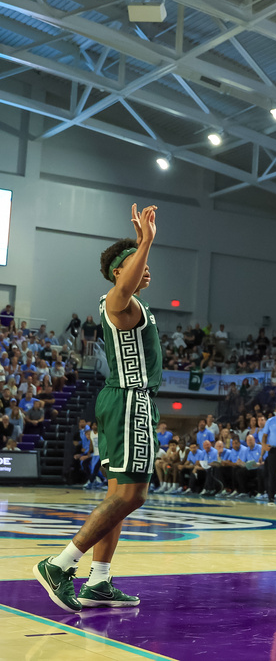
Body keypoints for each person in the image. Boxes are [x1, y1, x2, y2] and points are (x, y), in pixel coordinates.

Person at [33, 204, 160, 612]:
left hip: (121, 399)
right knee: (134, 494)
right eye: (137, 263)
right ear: (119, 273)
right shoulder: (117, 301)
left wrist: (143, 247)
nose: (146, 268)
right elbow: (121, 286)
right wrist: (145, 241)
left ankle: (99, 581)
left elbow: (127, 281)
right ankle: (60, 564)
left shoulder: (127, 303)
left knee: (119, 493)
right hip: (130, 399)